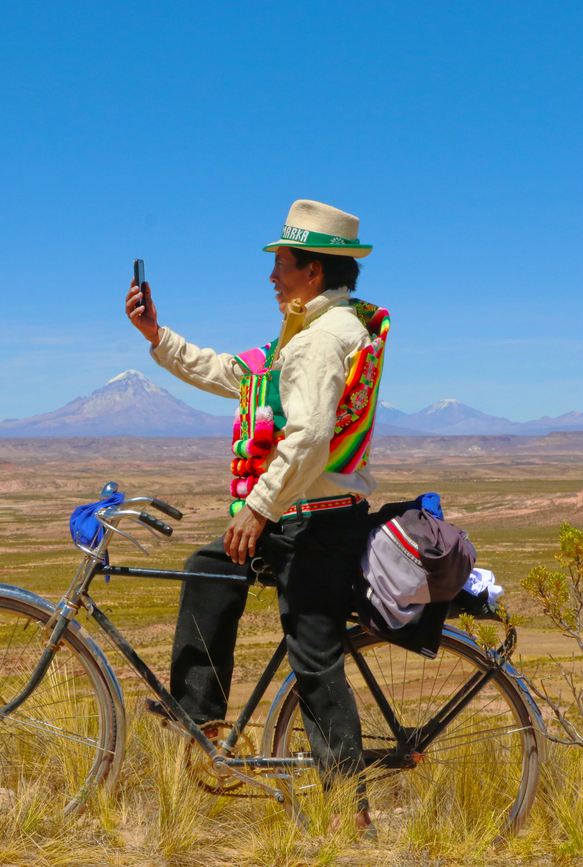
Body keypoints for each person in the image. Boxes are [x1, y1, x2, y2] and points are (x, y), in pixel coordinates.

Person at [124, 199, 389, 830]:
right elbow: (230, 373)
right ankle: (201, 715)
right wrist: (156, 337)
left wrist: (258, 509)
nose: (272, 277)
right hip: (306, 514)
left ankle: (347, 806)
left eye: (283, 265)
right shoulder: (311, 331)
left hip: (315, 521)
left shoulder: (322, 340)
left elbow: (309, 434)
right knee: (211, 567)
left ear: (314, 273)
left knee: (314, 653)